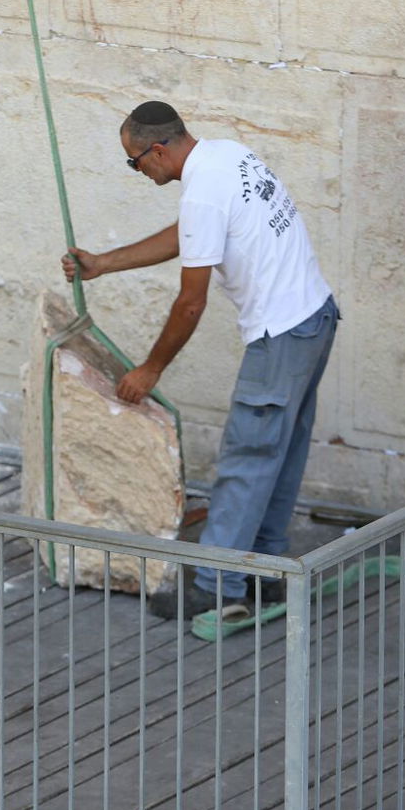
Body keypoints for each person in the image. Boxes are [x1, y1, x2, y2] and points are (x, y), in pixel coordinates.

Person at [62, 101, 338, 619]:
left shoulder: (204, 190)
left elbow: (191, 303)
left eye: (135, 162)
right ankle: (265, 571)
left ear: (157, 151)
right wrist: (104, 263)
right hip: (315, 317)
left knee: (247, 458)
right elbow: (188, 233)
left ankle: (216, 586)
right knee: (278, 454)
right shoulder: (226, 155)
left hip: (281, 333)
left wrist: (150, 369)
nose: (138, 172)